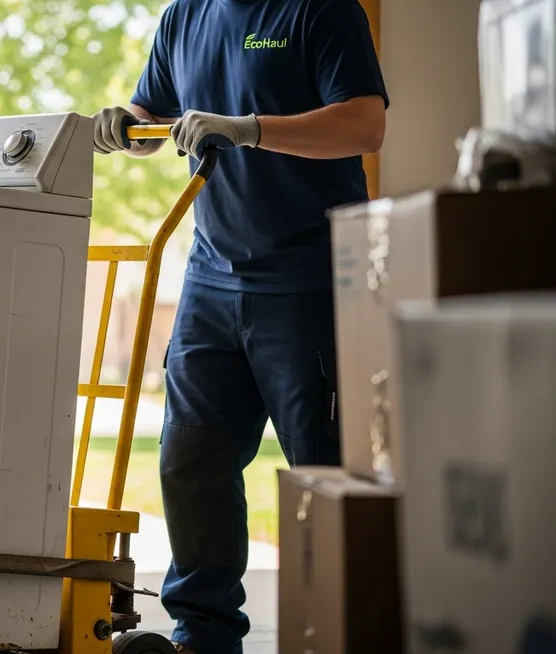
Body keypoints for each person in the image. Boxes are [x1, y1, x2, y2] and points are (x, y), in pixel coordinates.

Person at [92, 0, 388, 652]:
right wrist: (127, 124)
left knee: (327, 473)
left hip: (310, 278)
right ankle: (203, 636)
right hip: (210, 277)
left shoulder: (320, 11)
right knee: (189, 463)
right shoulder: (183, 18)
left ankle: (346, 629)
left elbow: (366, 125)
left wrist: (250, 128)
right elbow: (157, 110)